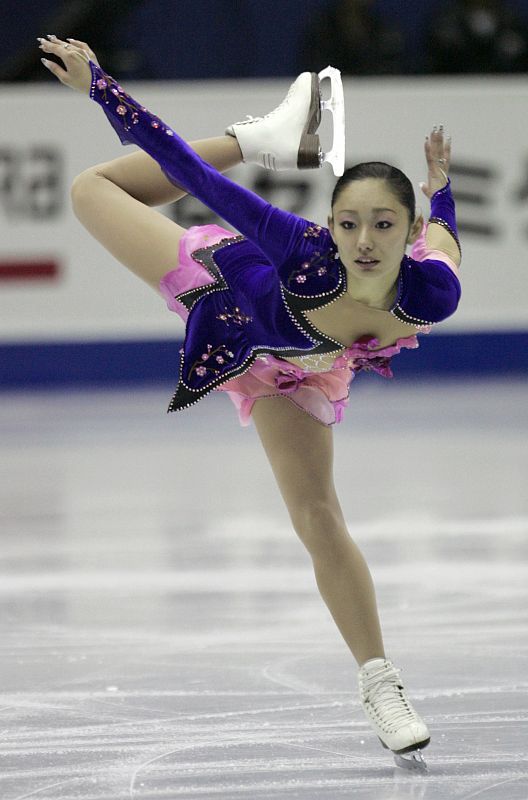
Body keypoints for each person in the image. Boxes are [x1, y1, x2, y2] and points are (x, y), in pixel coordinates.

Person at [38, 33, 461, 770]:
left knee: (317, 516)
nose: (364, 240)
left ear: (410, 232)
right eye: (349, 223)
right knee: (90, 189)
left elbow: (450, 232)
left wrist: (441, 185)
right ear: (328, 226)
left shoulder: (433, 289)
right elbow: (182, 169)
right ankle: (255, 138)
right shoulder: (299, 251)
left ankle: (382, 685)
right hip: (225, 296)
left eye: (385, 225)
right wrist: (100, 85)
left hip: (302, 370)